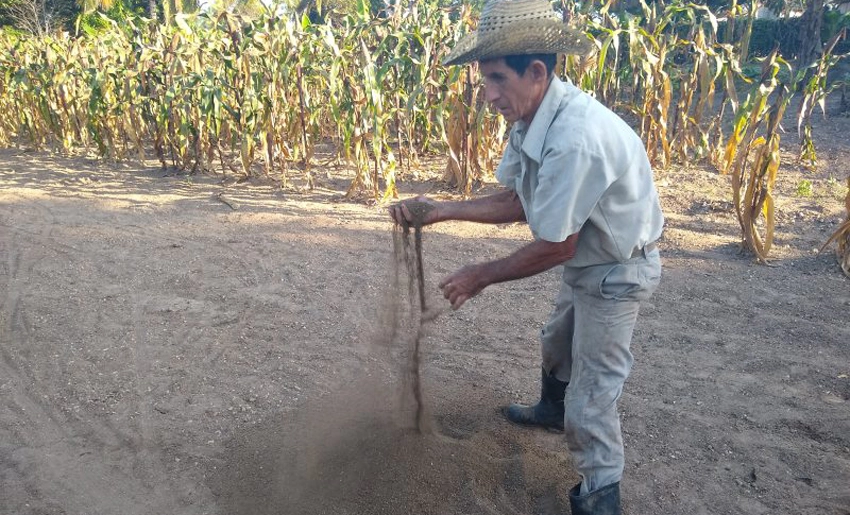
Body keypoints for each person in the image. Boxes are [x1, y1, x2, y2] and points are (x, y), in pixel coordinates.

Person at [389, 0, 663, 513]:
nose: (488, 95)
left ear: (536, 72)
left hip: (618, 269)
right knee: (556, 343)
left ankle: (599, 497)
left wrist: (480, 275)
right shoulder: (533, 117)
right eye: (484, 80)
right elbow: (519, 199)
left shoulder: (574, 138)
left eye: (496, 79)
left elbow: (560, 244)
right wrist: (442, 210)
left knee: (593, 397)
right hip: (588, 259)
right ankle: (549, 411)